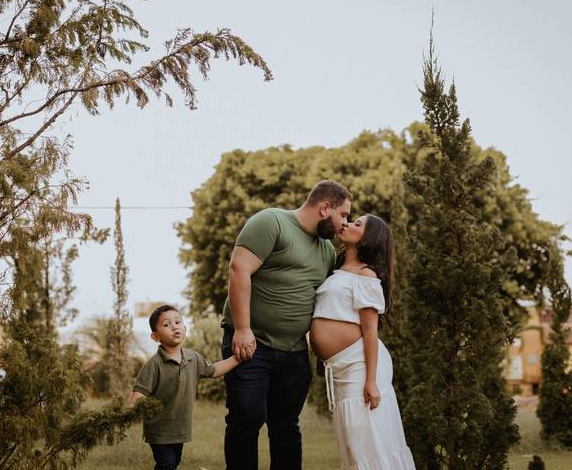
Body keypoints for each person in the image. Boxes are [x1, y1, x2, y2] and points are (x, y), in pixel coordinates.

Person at [221, 179, 352, 470]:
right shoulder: (272, 222)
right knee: (246, 418)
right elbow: (239, 269)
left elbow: (322, 303)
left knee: (286, 426)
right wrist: (242, 329)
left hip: (294, 353)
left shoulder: (327, 251)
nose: (345, 223)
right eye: (343, 214)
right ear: (325, 208)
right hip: (251, 343)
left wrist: (322, 350)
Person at [311, 214, 415, 470]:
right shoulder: (335, 271)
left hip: (360, 366)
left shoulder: (366, 275)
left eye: (357, 224)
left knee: (370, 442)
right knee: (353, 443)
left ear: (369, 238)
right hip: (341, 369)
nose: (347, 224)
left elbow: (370, 331)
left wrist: (371, 381)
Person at [129, 304, 239, 470]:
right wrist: (130, 412)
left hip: (180, 428)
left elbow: (214, 371)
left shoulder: (192, 358)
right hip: (159, 430)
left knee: (174, 462)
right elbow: (137, 395)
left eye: (178, 322)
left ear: (185, 328)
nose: (175, 327)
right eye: (166, 324)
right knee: (166, 464)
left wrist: (237, 358)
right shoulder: (154, 364)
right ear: (155, 336)